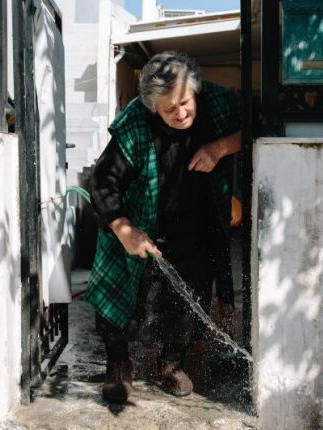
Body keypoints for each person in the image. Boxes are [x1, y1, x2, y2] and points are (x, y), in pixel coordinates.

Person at [85, 51, 242, 403]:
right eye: (169, 109)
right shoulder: (134, 123)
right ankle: (118, 363)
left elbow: (259, 126)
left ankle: (170, 364)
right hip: (137, 222)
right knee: (121, 298)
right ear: (152, 107)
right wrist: (124, 230)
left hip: (194, 222)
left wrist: (220, 148)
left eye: (185, 103)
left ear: (195, 92)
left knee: (187, 299)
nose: (181, 113)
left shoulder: (217, 102)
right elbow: (103, 181)